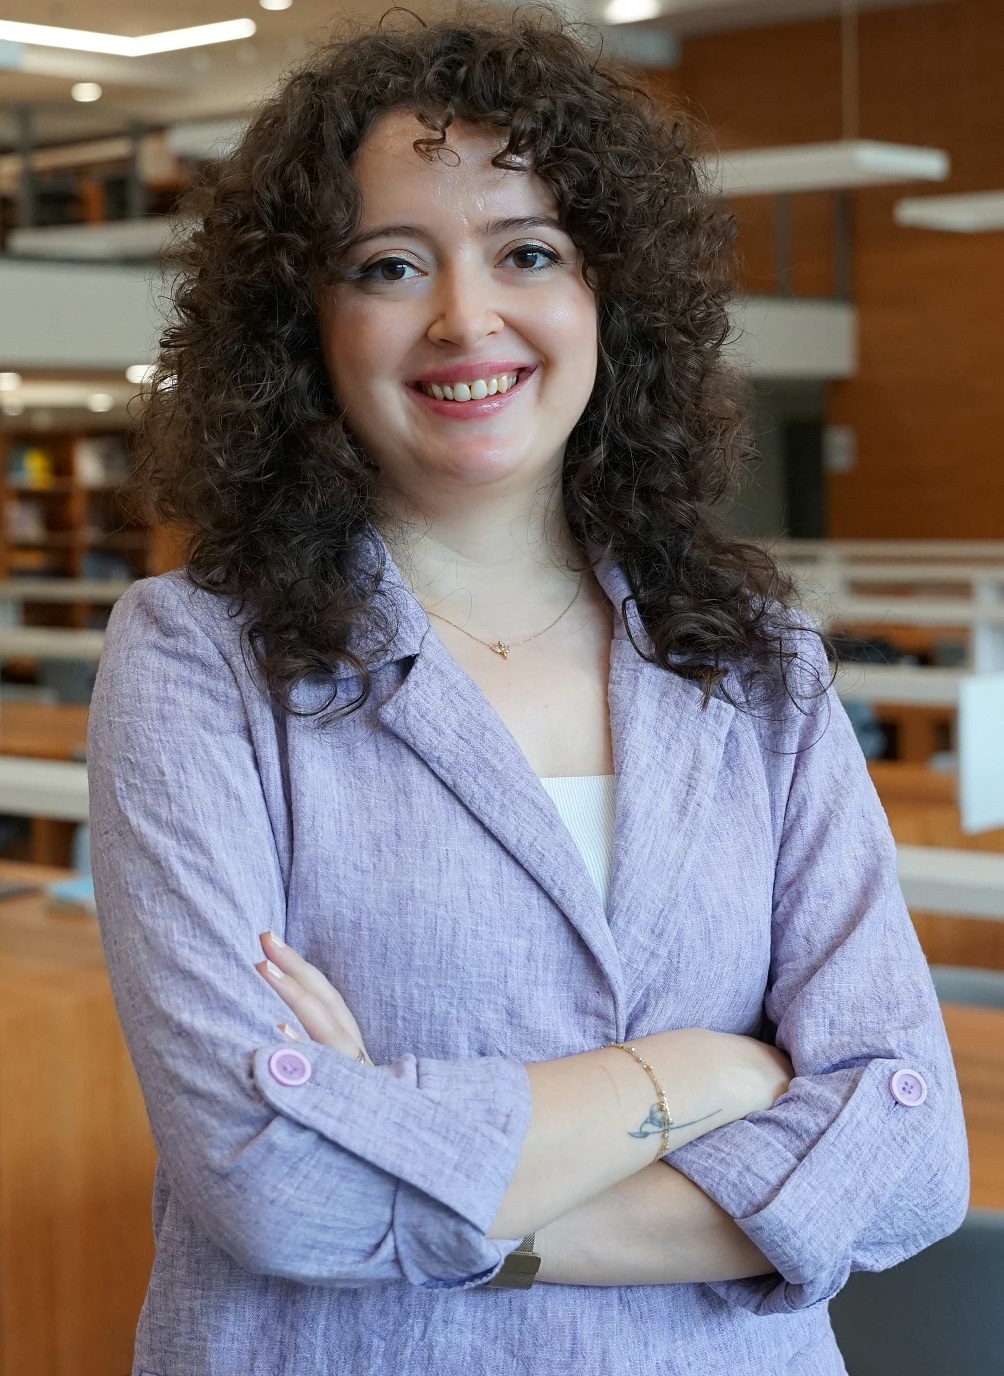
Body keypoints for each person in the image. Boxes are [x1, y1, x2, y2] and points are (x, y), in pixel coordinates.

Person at [88, 9, 968, 1374]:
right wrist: (710, 1074)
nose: (465, 317)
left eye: (529, 253)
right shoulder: (201, 659)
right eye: (389, 265)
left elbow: (909, 1160)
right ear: (304, 325)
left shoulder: (755, 658)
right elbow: (272, 1179)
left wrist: (433, 1171)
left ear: (611, 294)